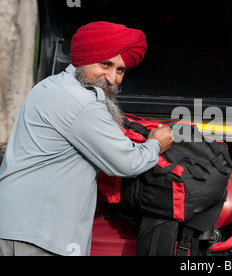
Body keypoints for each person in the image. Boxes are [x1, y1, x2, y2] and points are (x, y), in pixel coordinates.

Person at [0, 22, 173, 256]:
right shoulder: (82, 103)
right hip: (39, 234)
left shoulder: (49, 85)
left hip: (13, 223)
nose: (112, 78)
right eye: (105, 64)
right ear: (84, 57)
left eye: (120, 70)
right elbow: (128, 162)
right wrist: (156, 143)